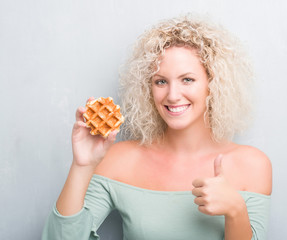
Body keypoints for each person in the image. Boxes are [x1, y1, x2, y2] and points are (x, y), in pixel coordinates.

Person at [42, 14, 272, 240]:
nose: (172, 95)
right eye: (160, 81)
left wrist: (236, 211)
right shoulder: (120, 159)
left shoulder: (252, 165)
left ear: (212, 84)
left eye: (187, 80)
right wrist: (82, 166)